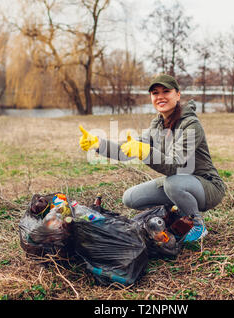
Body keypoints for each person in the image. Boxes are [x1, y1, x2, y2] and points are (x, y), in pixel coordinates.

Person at [78, 74, 226, 242]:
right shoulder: (157, 125)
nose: (160, 96)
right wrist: (98, 144)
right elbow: (126, 150)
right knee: (131, 197)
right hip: (179, 182)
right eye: (155, 93)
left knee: (172, 182)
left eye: (166, 91)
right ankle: (175, 215)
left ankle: (197, 226)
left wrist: (146, 152)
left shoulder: (191, 124)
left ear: (178, 95)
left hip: (207, 185)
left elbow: (175, 165)